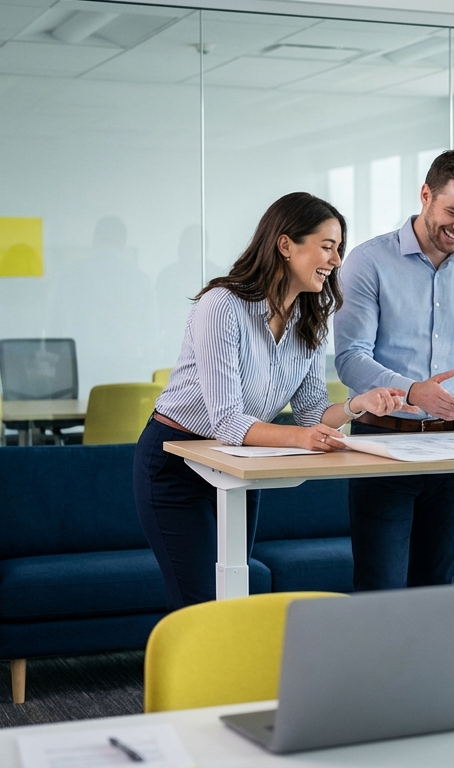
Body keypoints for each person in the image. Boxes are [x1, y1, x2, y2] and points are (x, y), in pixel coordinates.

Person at [134, 192, 414, 609]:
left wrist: (360, 404)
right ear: (286, 245)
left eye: (339, 249)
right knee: (200, 606)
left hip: (241, 466)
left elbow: (311, 412)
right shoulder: (221, 306)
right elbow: (228, 421)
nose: (337, 261)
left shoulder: (310, 318)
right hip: (176, 465)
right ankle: (188, 677)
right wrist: (303, 439)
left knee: (233, 599)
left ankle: (233, 677)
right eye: (327, 246)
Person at [334, 150, 454, 593]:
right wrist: (413, 391)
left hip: (453, 446)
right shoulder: (368, 261)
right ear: (425, 195)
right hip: (383, 445)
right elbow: (350, 357)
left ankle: (430, 668)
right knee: (381, 588)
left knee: (437, 587)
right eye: (453, 212)